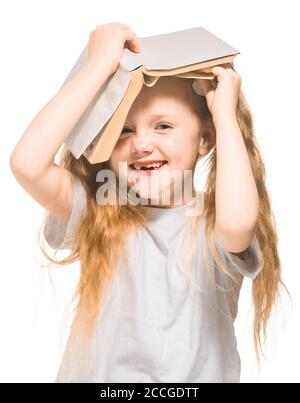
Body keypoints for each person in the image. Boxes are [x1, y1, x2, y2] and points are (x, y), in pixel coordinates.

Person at [10, 22, 283, 383]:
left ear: (205, 138)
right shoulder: (100, 211)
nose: (141, 144)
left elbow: (237, 225)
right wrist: (98, 69)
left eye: (163, 126)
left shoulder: (214, 223)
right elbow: (26, 164)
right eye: (124, 130)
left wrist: (225, 115)